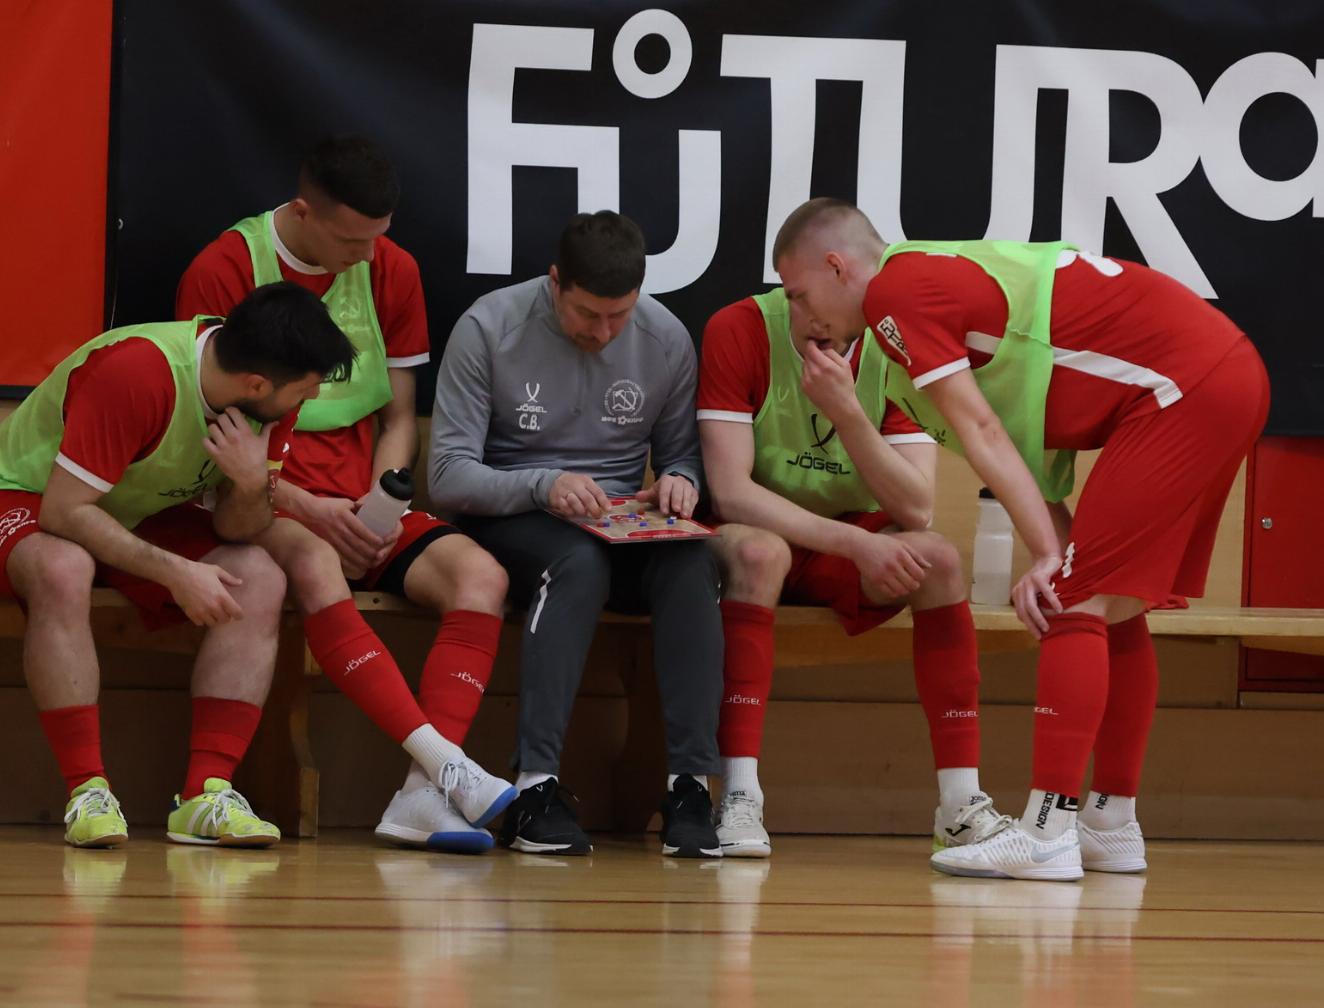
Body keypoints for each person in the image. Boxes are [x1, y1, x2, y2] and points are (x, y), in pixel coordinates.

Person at [772, 198, 1269, 880]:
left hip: (1183, 385)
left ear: (836, 266)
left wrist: (1048, 559)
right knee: (1111, 606)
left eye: (798, 293)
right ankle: (1111, 822)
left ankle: (1044, 832)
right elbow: (1022, 459)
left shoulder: (896, 293)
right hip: (1213, 377)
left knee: (1075, 599)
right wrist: (1056, 549)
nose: (800, 317)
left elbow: (981, 431)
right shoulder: (927, 295)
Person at [177, 135, 511, 853]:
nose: (367, 255)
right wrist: (307, 506)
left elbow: (400, 417)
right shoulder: (225, 266)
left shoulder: (392, 267)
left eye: (378, 238)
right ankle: (445, 763)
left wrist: (380, 505)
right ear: (303, 212)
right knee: (316, 559)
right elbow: (212, 435)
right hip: (262, 498)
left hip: (359, 503)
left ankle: (423, 795)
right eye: (353, 240)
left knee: (482, 575)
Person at [0, 282, 347, 849]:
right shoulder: (137, 373)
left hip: (135, 509)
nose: (309, 399)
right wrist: (175, 572)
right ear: (257, 384)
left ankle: (206, 794)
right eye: (306, 390)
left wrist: (250, 483)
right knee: (63, 568)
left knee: (258, 576)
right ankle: (87, 790)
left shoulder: (270, 391)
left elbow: (238, 528)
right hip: (20, 495)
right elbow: (64, 512)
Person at [430, 210, 723, 858]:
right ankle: (534, 789)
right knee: (576, 562)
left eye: (620, 315)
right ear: (554, 281)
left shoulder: (666, 338)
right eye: (588, 313)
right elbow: (448, 477)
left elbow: (682, 455)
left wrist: (679, 482)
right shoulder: (489, 327)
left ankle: (690, 788)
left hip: (621, 521)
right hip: (514, 515)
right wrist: (544, 485)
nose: (604, 331)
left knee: (693, 563)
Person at [698, 278, 1010, 859]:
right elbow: (731, 493)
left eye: (816, 300)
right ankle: (739, 794)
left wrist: (846, 411)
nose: (810, 316)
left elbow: (916, 508)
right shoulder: (739, 327)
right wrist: (856, 545)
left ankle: (960, 805)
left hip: (846, 539)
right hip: (758, 532)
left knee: (939, 560)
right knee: (761, 554)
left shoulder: (897, 346)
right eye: (795, 297)